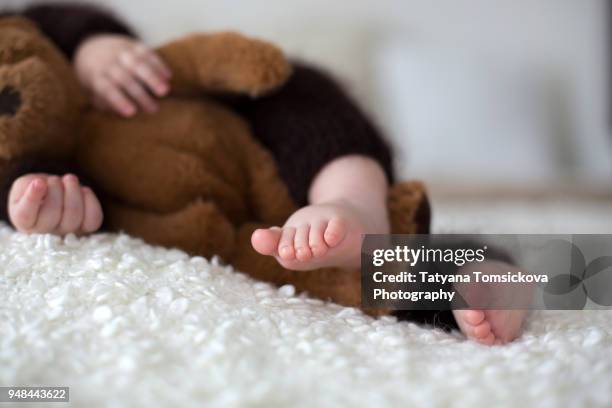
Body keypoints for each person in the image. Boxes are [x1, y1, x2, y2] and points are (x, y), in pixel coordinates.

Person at [0, 3, 526, 345]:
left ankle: (354, 203)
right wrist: (31, 200)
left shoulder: (29, 27)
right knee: (334, 277)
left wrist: (96, 47)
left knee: (296, 95)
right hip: (223, 228)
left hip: (256, 138)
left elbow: (58, 21)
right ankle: (485, 273)